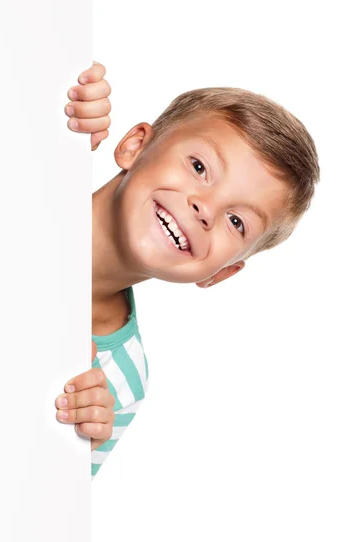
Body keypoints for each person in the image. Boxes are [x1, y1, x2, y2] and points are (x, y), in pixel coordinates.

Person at [55, 61, 320, 480]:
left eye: (236, 222)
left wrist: (63, 453)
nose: (206, 209)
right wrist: (50, 112)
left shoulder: (121, 381)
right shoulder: (16, 181)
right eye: (199, 168)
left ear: (220, 273)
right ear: (134, 145)